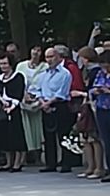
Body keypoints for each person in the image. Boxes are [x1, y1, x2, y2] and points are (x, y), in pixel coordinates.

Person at [30, 45, 75, 172]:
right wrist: (42, 102)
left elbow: (62, 92)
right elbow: (36, 89)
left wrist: (49, 102)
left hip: (60, 105)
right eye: (47, 57)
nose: (49, 60)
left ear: (58, 57)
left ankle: (66, 163)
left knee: (63, 135)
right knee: (48, 136)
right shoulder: (43, 74)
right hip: (45, 105)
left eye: (51, 57)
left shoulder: (65, 73)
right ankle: (51, 163)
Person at [0, 53, 28, 173]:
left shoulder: (18, 77)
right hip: (2, 110)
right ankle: (8, 162)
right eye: (1, 64)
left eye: (5, 63)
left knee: (16, 136)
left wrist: (11, 107)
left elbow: (19, 95)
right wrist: (0, 100)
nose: (3, 66)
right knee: (5, 136)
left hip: (15, 111)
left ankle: (17, 163)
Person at [74, 48, 104, 181]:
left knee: (94, 138)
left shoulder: (96, 71)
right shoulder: (86, 71)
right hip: (86, 105)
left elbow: (93, 89)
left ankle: (98, 167)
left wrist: (81, 94)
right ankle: (90, 166)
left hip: (93, 106)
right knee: (85, 137)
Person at [18, 45, 46, 160]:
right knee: (26, 129)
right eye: (34, 49)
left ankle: (38, 155)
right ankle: (26, 156)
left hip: (39, 102)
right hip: (24, 101)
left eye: (39, 50)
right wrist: (24, 94)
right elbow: (17, 81)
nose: (35, 52)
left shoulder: (45, 67)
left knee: (38, 129)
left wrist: (37, 97)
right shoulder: (21, 66)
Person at [88, 50, 110, 183]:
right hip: (102, 108)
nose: (104, 67)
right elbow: (92, 87)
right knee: (106, 140)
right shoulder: (100, 73)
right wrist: (96, 90)